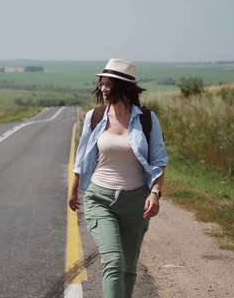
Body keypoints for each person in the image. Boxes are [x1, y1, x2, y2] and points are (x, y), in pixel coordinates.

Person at [69, 58, 169, 298]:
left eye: (108, 84)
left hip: (136, 201)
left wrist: (155, 193)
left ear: (123, 87)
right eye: (101, 84)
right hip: (100, 198)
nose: (103, 88)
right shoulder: (95, 117)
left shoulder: (146, 119)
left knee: (128, 268)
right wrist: (73, 191)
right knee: (113, 261)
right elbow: (82, 157)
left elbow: (159, 161)